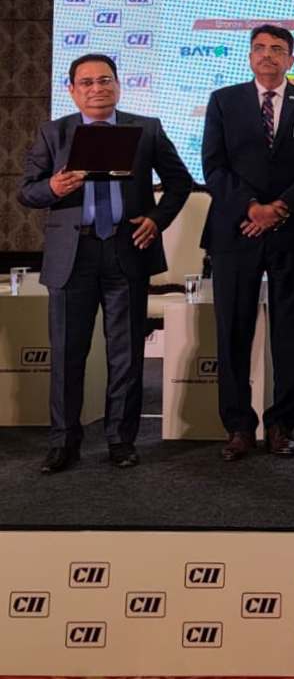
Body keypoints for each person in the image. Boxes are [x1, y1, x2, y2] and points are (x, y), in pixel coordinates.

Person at [19, 53, 192, 473]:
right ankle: (63, 442)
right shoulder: (54, 133)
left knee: (126, 354)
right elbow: (27, 192)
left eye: (105, 80)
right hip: (72, 255)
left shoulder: (146, 129)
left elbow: (179, 183)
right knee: (67, 353)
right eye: (87, 82)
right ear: (72, 90)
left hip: (125, 249)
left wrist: (156, 220)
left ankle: (120, 440)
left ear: (117, 85)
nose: (97, 89)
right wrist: (54, 187)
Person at [201, 24, 294, 461]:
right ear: (249, 56)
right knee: (233, 330)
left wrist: (279, 208)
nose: (267, 55)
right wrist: (252, 208)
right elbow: (213, 166)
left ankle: (282, 424)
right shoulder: (224, 100)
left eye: (277, 49)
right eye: (259, 48)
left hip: (293, 230)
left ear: (292, 59)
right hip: (236, 230)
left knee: (291, 331)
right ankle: (238, 426)